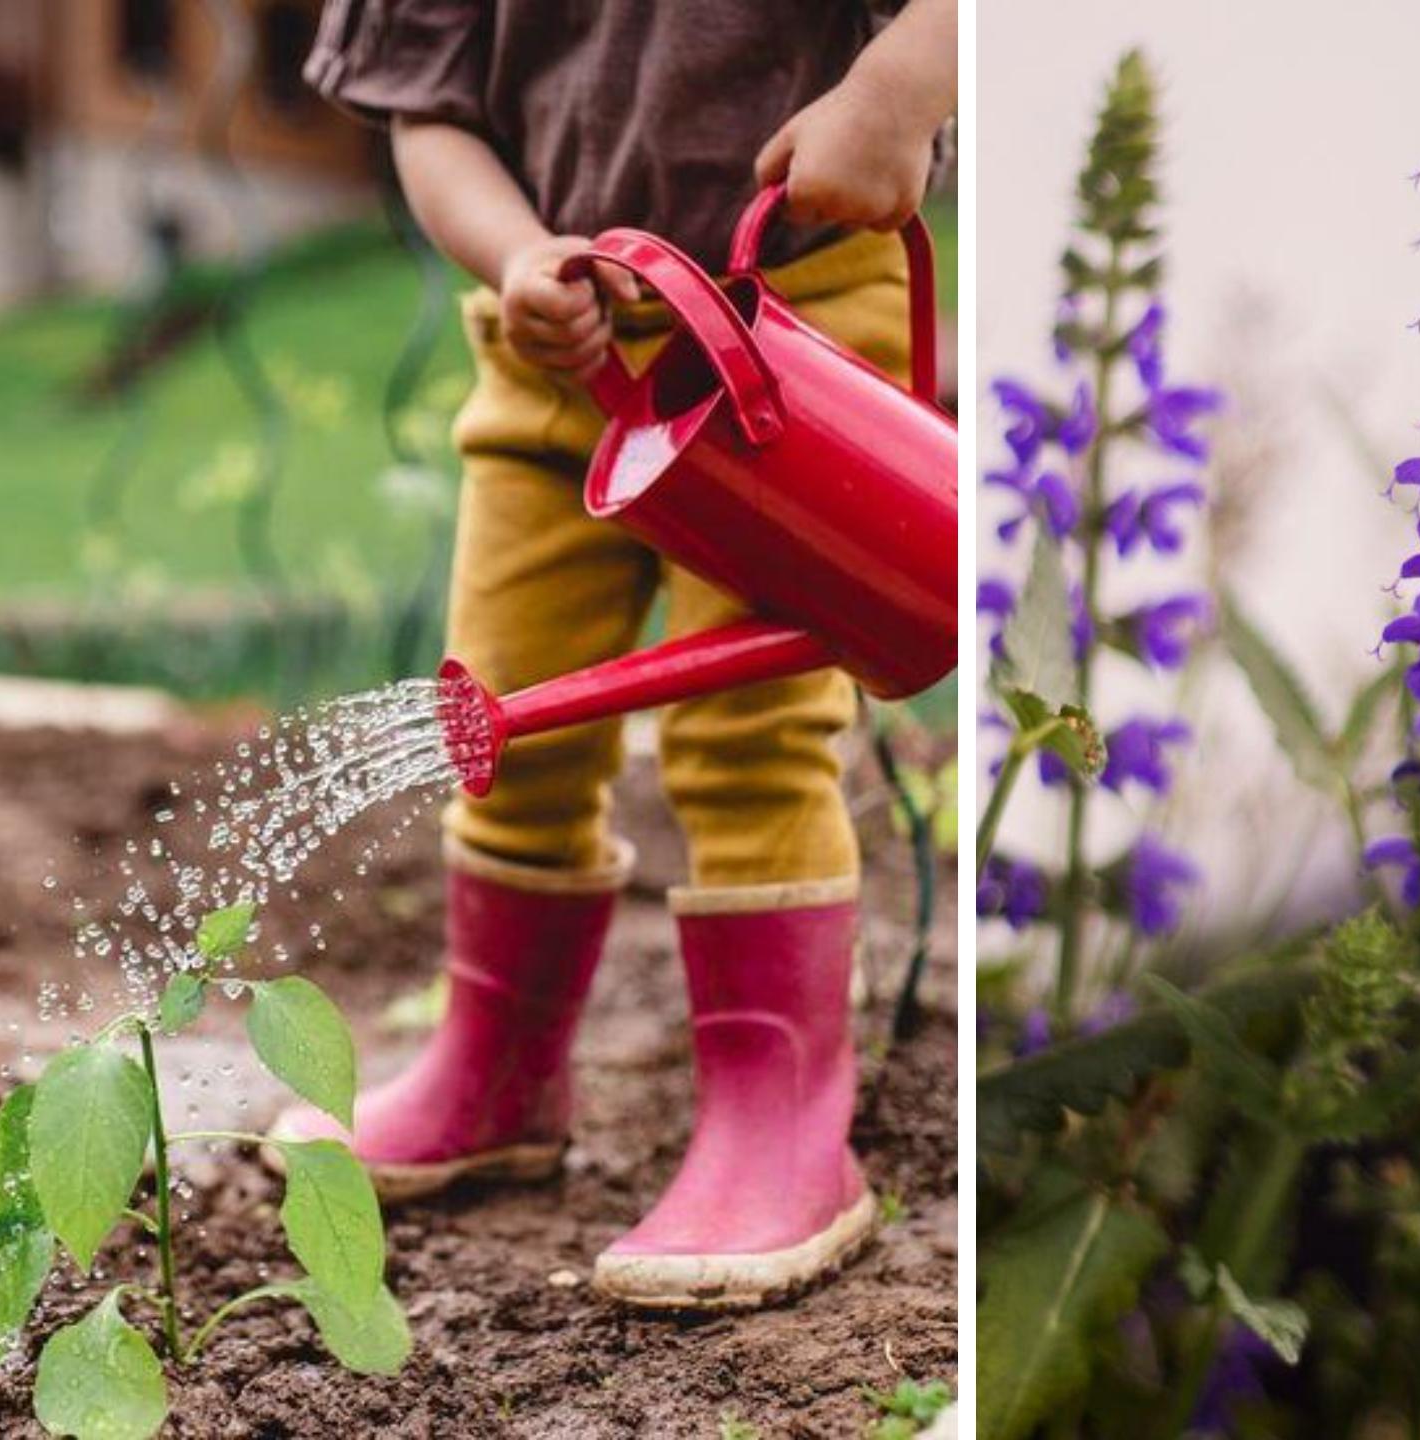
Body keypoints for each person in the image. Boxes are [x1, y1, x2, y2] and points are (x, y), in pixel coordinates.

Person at [274, 0, 956, 1311]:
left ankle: (781, 1121)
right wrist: (518, 253)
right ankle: (496, 1065)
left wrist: (901, 87)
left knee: (746, 739)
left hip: (790, 335)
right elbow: (430, 110)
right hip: (553, 354)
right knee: (503, 716)